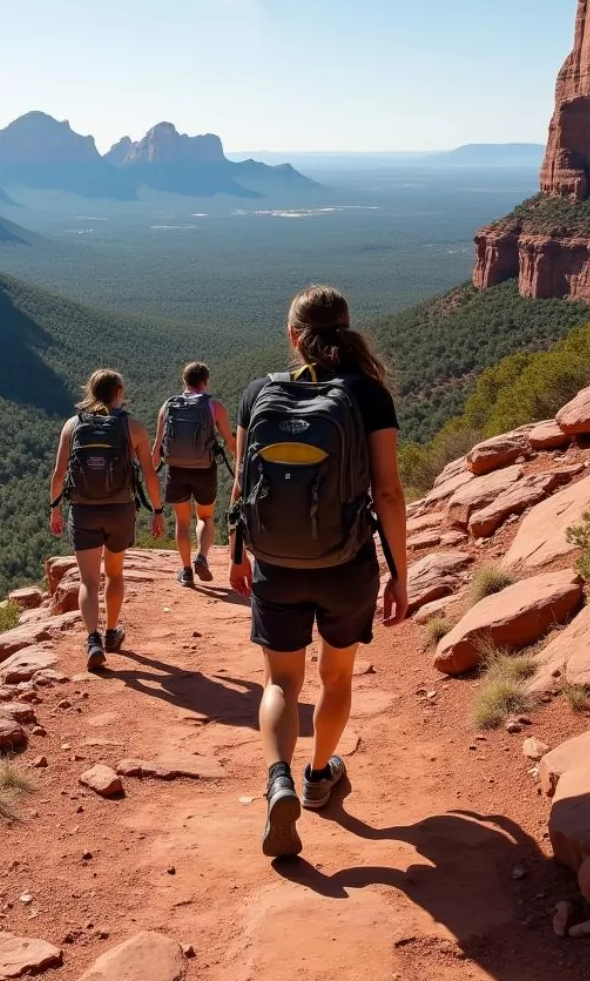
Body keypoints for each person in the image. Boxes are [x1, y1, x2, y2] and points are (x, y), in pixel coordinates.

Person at [227, 285, 408, 858]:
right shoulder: (369, 395)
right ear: (347, 329)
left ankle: (276, 777)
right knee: (336, 677)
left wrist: (236, 554)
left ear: (293, 336)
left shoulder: (258, 393)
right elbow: (389, 491)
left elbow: (239, 487)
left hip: (276, 565)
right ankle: (317, 774)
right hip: (346, 563)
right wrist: (401, 572)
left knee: (281, 682)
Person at [50, 368, 164, 670]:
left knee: (88, 580)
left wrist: (55, 509)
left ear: (90, 391)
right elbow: (150, 476)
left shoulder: (72, 425)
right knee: (114, 574)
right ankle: (112, 632)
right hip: (120, 511)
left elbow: (59, 474)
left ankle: (92, 640)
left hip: (84, 510)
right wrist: (157, 510)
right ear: (120, 391)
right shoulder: (134, 428)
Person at [153, 362, 234, 588]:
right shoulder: (213, 406)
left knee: (181, 522)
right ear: (205, 381)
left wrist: (150, 476)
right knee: (205, 517)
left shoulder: (168, 405)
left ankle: (187, 571)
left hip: (175, 469)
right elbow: (229, 440)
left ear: (184, 380)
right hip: (204, 470)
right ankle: (202, 557)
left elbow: (157, 445)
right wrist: (240, 464)